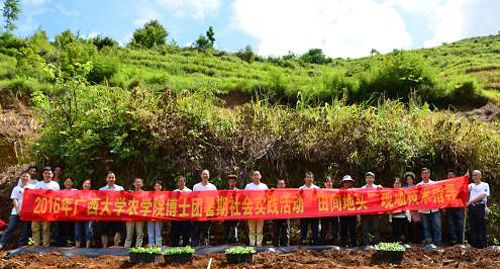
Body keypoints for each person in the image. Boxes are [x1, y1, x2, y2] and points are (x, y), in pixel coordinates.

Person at [0, 171, 36, 249]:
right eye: (23, 176)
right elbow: (14, 199)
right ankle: (2, 243)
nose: (25, 178)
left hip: (27, 212)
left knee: (25, 229)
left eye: (27, 176)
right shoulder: (16, 188)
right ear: (20, 177)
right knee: (10, 227)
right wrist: (18, 210)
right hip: (16, 212)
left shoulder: (33, 187)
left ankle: (20, 245)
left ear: (29, 178)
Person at [32, 167, 60, 247]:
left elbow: (57, 196)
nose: (47, 175)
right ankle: (35, 245)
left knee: (46, 228)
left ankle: (45, 245)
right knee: (35, 228)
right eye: (45, 173)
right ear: (43, 174)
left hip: (48, 209)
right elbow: (34, 196)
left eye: (49, 173)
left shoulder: (55, 184)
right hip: (37, 209)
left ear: (52, 175)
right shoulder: (38, 184)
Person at [98, 171, 124, 248]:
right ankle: (105, 247)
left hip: (117, 213)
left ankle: (115, 246)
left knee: (118, 230)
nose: (111, 179)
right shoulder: (101, 189)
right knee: (104, 232)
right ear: (106, 179)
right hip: (105, 213)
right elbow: (98, 202)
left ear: (115, 179)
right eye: (109, 177)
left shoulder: (120, 188)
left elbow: (124, 200)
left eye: (113, 177)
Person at [191, 170, 217, 246]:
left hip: (208, 212)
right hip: (198, 212)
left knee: (206, 230)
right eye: (203, 174)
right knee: (196, 230)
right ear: (201, 176)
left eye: (206, 174)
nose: (205, 176)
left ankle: (206, 247)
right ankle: (195, 247)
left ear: (209, 176)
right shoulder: (196, 186)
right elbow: (193, 199)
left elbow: (215, 199)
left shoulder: (212, 187)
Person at [417, 167, 442, 247]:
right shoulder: (418, 186)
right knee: (426, 227)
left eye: (426, 173)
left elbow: (439, 195)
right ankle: (429, 243)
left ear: (429, 174)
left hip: (434, 209)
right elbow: (415, 198)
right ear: (421, 175)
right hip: (423, 210)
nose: (425, 175)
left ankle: (437, 243)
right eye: (423, 173)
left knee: (437, 226)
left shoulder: (434, 184)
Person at [466, 170, 490, 248]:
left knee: (481, 226)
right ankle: (474, 246)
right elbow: (462, 189)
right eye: (473, 175)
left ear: (480, 176)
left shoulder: (485, 185)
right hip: (472, 207)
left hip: (480, 207)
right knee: (473, 226)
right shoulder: (471, 185)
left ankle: (483, 245)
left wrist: (470, 201)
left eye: (476, 175)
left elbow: (483, 195)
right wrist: (466, 178)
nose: (475, 177)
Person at [244, 170, 268, 247]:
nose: (256, 176)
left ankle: (259, 244)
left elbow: (268, 197)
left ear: (260, 176)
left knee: (260, 229)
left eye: (257, 175)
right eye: (254, 175)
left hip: (261, 210)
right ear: (252, 177)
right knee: (251, 228)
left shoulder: (264, 186)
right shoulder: (248, 186)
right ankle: (252, 244)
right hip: (251, 210)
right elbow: (244, 196)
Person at [298, 171, 320, 245]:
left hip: (314, 213)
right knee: (304, 229)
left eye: (311, 177)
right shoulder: (300, 189)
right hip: (304, 213)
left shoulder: (317, 188)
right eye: (308, 177)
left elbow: (320, 200)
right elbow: (297, 200)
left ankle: (316, 244)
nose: (309, 179)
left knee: (315, 229)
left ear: (313, 179)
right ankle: (303, 244)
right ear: (304, 179)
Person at [361, 172, 382, 247]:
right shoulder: (362, 189)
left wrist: (381, 189)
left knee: (376, 228)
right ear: (365, 179)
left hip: (375, 212)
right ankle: (365, 244)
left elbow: (382, 197)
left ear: (374, 179)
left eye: (371, 177)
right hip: (365, 213)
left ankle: (377, 244)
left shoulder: (378, 187)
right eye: (368, 178)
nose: (369, 179)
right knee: (365, 229)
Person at [444, 169, 464, 245]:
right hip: (449, 207)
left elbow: (463, 192)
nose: (450, 176)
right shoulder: (444, 185)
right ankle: (454, 240)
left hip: (458, 206)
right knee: (450, 223)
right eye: (449, 175)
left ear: (455, 175)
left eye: (452, 174)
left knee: (460, 223)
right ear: (447, 176)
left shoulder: (459, 183)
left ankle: (461, 240)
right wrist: (443, 207)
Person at [124, 178, 146, 248]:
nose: (138, 184)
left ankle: (138, 249)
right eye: (136, 182)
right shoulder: (130, 193)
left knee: (139, 234)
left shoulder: (145, 194)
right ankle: (126, 249)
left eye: (139, 182)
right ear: (133, 184)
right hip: (130, 216)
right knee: (129, 234)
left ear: (142, 184)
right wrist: (128, 194)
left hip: (140, 216)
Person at [389, 178, 410, 246]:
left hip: (403, 215)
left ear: (401, 184)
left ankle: (405, 243)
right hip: (394, 216)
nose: (397, 184)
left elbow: (408, 203)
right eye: (396, 183)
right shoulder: (390, 193)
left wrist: (408, 215)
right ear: (393, 184)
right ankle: (395, 244)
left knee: (405, 230)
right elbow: (388, 205)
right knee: (395, 231)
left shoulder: (404, 192)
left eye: (399, 183)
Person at [171, 176, 192, 247]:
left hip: (185, 216)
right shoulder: (174, 192)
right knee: (175, 232)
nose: (181, 183)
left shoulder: (189, 191)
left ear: (185, 182)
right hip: (176, 217)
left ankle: (185, 247)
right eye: (179, 181)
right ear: (177, 183)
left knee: (185, 232)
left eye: (182, 181)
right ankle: (175, 247)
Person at [56, 178, 77, 247]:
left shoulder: (76, 191)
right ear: (64, 183)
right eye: (66, 182)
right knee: (61, 230)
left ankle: (70, 243)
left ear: (72, 183)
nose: (68, 183)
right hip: (62, 214)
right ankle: (61, 244)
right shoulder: (60, 192)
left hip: (72, 215)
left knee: (70, 230)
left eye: (69, 182)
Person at [74, 179, 94, 248]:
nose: (86, 185)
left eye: (88, 184)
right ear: (82, 185)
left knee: (89, 232)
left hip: (89, 216)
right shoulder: (77, 193)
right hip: (78, 215)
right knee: (77, 232)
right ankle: (77, 247)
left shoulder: (92, 194)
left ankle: (87, 248)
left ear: (90, 186)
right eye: (85, 183)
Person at [320, 176, 339, 245]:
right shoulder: (321, 192)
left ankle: (335, 243)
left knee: (335, 229)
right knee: (324, 229)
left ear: (332, 183)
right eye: (327, 182)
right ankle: (322, 243)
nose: (329, 183)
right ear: (325, 184)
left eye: (330, 182)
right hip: (324, 213)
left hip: (334, 213)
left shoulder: (336, 192)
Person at [403, 172, 421, 244]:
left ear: (413, 180)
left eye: (410, 179)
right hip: (407, 209)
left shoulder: (416, 187)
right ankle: (409, 240)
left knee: (416, 224)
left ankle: (416, 239)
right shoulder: (403, 188)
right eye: (408, 179)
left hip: (415, 209)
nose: (409, 181)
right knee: (408, 224)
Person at [339, 175, 357, 248]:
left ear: (351, 183)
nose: (347, 183)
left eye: (348, 182)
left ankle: (353, 243)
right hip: (343, 214)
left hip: (352, 213)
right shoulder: (339, 191)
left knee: (352, 229)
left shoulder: (355, 191)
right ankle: (343, 244)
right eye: (345, 182)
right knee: (343, 229)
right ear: (343, 183)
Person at [272, 179, 290, 247]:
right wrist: (270, 192)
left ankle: (286, 246)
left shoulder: (288, 193)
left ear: (284, 185)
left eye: (282, 184)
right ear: (277, 185)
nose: (281, 185)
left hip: (285, 215)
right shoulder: (273, 193)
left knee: (285, 231)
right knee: (276, 231)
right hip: (276, 215)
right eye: (280, 184)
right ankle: (276, 246)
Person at [223, 175, 240, 244]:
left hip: (235, 213)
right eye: (230, 181)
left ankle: (234, 242)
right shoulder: (224, 191)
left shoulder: (239, 191)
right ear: (228, 182)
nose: (232, 183)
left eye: (233, 181)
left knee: (234, 228)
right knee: (226, 228)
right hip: (226, 213)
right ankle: (226, 242)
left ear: (235, 182)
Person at [147, 181, 163, 247]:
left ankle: (158, 245)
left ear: (161, 187)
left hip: (159, 215)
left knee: (158, 231)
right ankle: (151, 245)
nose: (157, 187)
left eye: (159, 186)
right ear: (154, 187)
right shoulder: (149, 194)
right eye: (156, 186)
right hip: (150, 215)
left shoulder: (164, 195)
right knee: (150, 231)